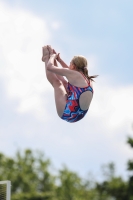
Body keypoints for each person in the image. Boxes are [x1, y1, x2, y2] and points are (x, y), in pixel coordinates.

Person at [42, 45, 98, 123]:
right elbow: (67, 71)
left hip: (68, 113)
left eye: (70, 63)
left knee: (58, 83)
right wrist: (59, 60)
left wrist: (51, 57)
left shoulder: (75, 75)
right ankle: (50, 56)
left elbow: (50, 67)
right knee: (64, 82)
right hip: (79, 114)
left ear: (74, 66)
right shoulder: (86, 78)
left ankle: (45, 58)